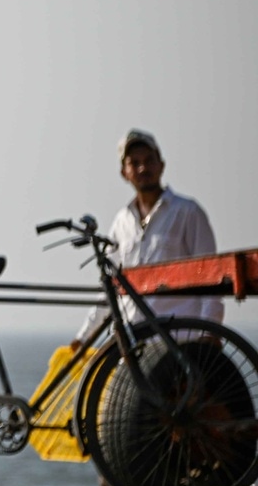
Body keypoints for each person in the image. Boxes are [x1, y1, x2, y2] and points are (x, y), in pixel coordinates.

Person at [70, 128, 219, 351]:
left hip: (181, 341)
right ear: (124, 172)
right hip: (135, 345)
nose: (143, 168)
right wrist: (84, 337)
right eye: (135, 163)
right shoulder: (122, 221)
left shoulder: (187, 212)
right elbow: (110, 286)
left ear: (162, 165)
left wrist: (209, 332)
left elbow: (212, 277)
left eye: (149, 160)